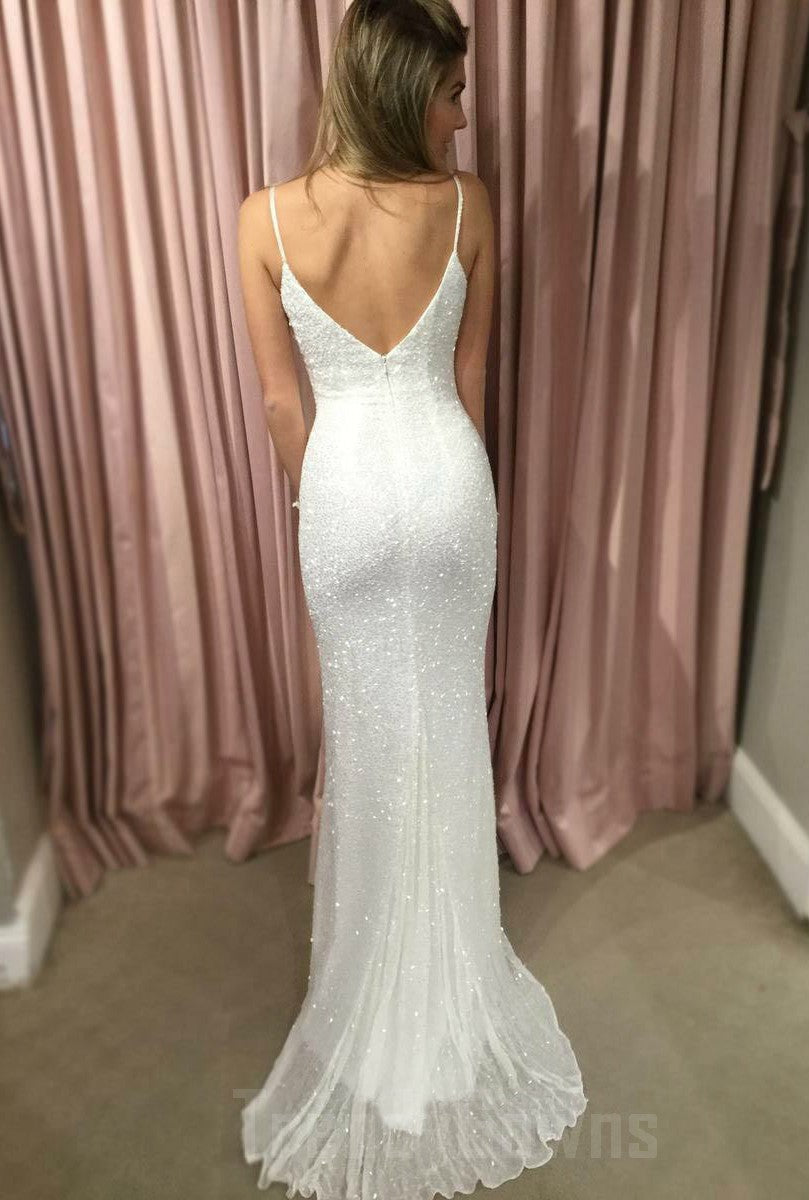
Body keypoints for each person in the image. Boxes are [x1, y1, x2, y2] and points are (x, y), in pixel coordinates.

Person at [236, 2, 586, 1196]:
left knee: (373, 745)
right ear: (398, 89)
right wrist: (448, 490)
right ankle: (449, 994)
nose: (463, 116)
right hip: (446, 486)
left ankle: (375, 1003)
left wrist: (328, 500)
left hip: (340, 499)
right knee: (445, 741)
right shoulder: (468, 205)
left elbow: (283, 407)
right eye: (450, 92)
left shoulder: (261, 220)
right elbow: (470, 375)